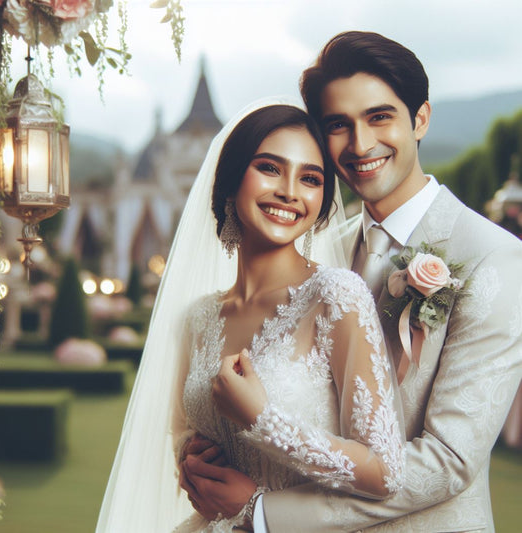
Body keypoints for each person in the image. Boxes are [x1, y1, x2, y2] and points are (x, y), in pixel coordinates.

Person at [183, 32, 522, 532]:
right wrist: (205, 454)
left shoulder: (493, 258)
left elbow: (449, 460)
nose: (361, 145)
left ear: (421, 119)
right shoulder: (320, 244)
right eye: (339, 125)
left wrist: (261, 511)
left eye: (380, 117)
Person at [95, 98, 406, 533]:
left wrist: (263, 421)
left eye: (311, 178)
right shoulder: (198, 318)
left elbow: (385, 472)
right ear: (229, 182)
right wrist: (191, 460)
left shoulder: (336, 297)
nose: (289, 191)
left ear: (322, 200)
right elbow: (183, 430)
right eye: (270, 168)